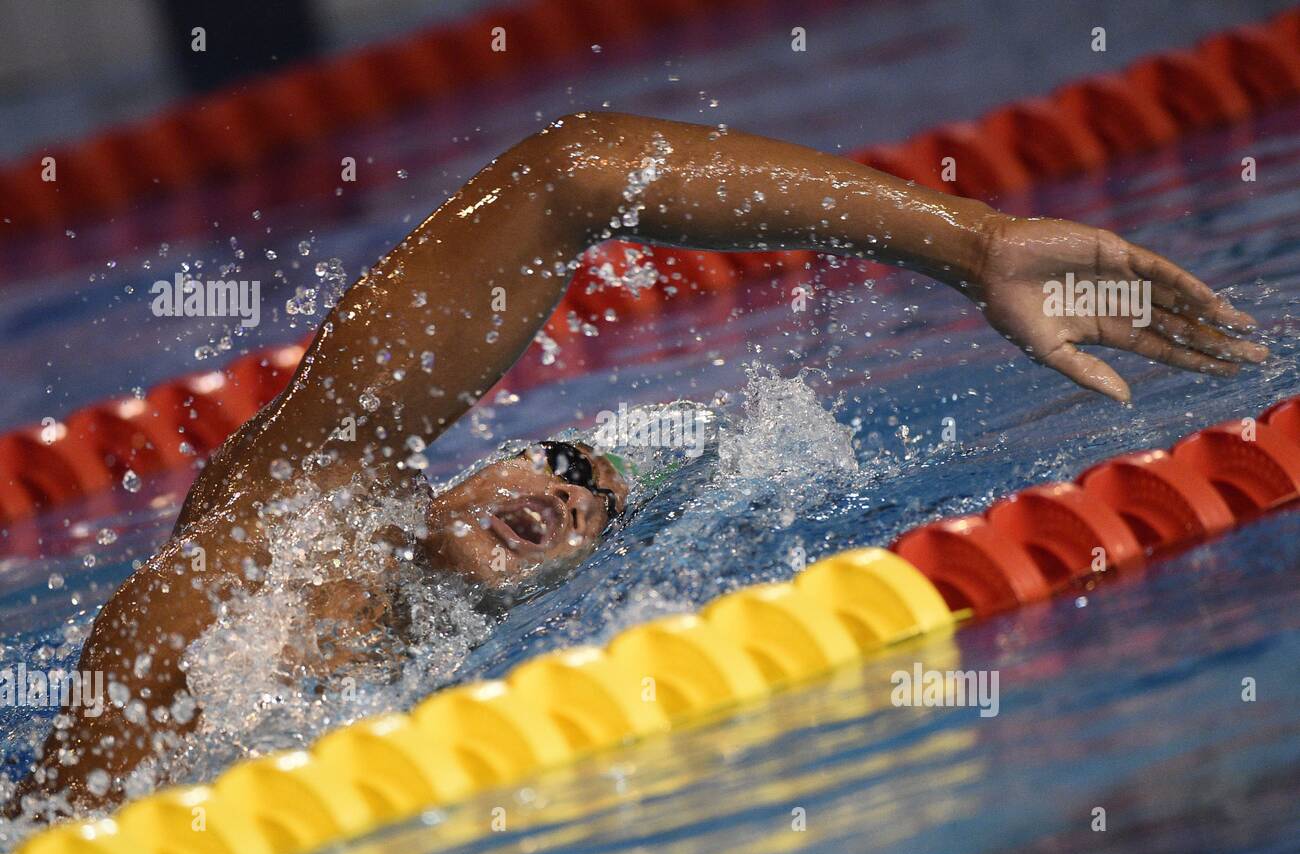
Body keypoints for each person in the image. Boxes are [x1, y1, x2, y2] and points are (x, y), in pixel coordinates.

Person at [6, 111, 1266, 817]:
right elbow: (569, 175)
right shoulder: (310, 512)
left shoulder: (454, 683)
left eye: (589, 516)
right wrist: (969, 238)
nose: (561, 496)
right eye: (560, 461)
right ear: (464, 466)